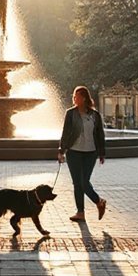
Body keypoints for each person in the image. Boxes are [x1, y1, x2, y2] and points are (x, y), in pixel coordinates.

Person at [57, 85, 107, 222]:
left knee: (84, 182)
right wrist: (61, 151)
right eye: (74, 96)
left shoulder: (95, 115)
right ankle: (80, 212)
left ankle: (99, 201)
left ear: (84, 98)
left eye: (77, 96)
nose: (75, 98)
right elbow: (65, 133)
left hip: (90, 152)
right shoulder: (70, 113)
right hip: (73, 152)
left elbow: (100, 135)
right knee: (77, 183)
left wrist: (102, 153)